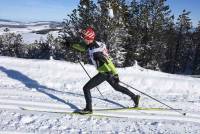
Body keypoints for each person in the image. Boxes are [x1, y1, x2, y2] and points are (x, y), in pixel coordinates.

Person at [71, 27, 140, 114]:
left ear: (89, 38)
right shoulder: (96, 44)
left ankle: (88, 109)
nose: (83, 39)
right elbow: (84, 48)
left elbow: (108, 62)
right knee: (116, 87)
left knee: (86, 88)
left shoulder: (96, 52)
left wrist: (115, 74)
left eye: (84, 38)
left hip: (104, 73)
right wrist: (71, 45)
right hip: (107, 72)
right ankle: (135, 97)